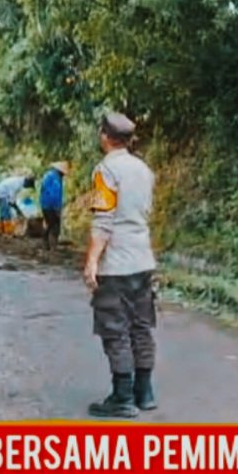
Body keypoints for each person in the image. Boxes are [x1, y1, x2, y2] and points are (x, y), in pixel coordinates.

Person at [84, 113, 158, 419]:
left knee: (116, 329)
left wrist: (91, 260)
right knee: (141, 326)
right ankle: (145, 391)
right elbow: (145, 211)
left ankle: (123, 397)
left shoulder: (106, 170)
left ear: (104, 136)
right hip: (143, 259)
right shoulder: (144, 169)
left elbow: (104, 219)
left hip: (117, 264)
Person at [39, 161, 70, 250]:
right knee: (55, 226)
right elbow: (55, 194)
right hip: (52, 205)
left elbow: (42, 190)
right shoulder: (56, 178)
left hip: (44, 204)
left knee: (49, 224)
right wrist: (57, 209)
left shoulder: (48, 175)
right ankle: (53, 247)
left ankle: (45, 244)